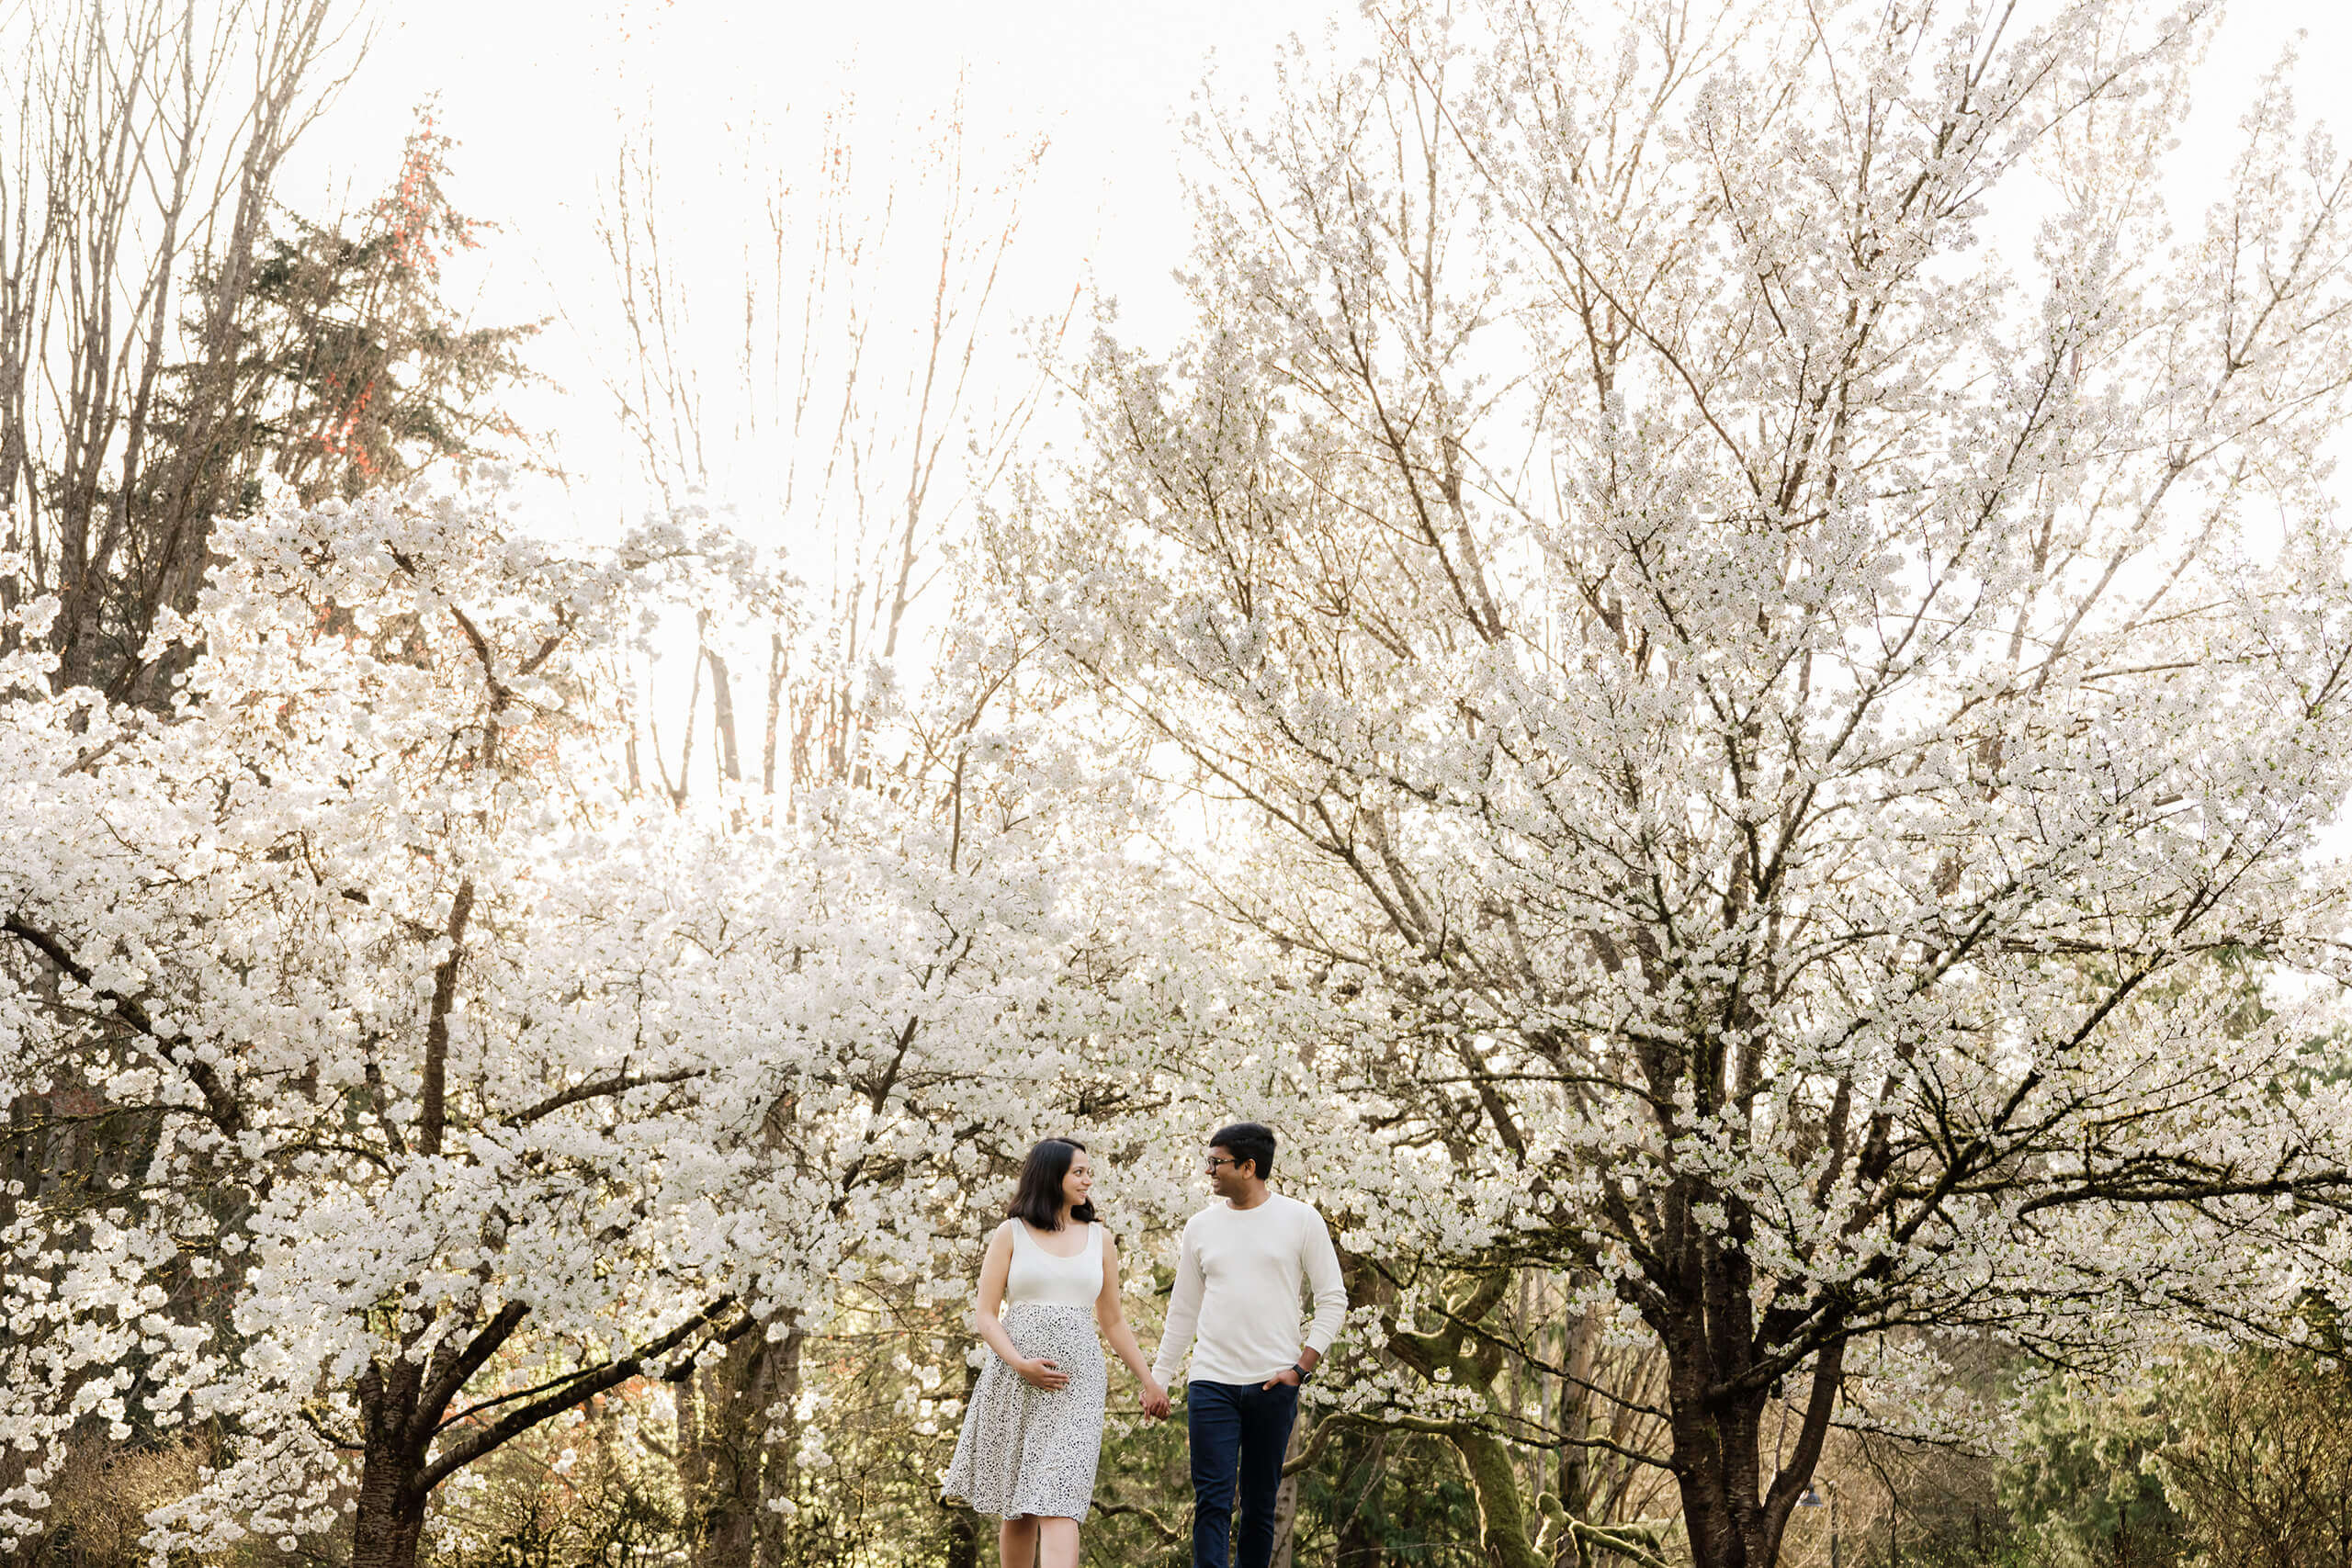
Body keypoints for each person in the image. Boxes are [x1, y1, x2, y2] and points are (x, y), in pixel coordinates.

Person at [942, 1136, 1171, 1568]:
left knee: (1059, 1497)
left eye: (1088, 1171)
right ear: (1052, 1175)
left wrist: (1148, 1379)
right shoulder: (1010, 1234)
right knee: (1020, 1504)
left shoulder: (1100, 1238)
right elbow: (986, 1315)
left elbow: (1113, 1320)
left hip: (1077, 1386)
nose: (1088, 1179)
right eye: (1078, 1172)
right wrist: (1020, 1364)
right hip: (1015, 1379)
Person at [1151, 1122, 1348, 1568]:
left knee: (1260, 1507)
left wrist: (1300, 1369)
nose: (1209, 1171)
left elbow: (1333, 1299)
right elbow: (1182, 1310)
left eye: (1216, 1163)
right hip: (1211, 1384)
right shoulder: (1200, 1228)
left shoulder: (1301, 1219)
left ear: (1249, 1167)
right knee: (1212, 1505)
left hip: (1274, 1385)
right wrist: (1159, 1378)